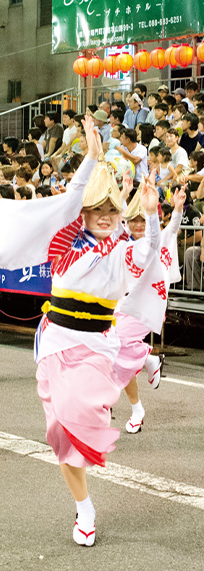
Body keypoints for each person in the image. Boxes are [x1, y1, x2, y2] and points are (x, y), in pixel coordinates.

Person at [0, 116, 160, 547]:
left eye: (111, 210)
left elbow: (147, 253)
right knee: (58, 433)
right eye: (96, 210)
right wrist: (89, 156)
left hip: (94, 347)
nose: (104, 217)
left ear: (119, 214)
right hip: (55, 341)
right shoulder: (64, 243)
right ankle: (84, 506)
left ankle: (86, 495)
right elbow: (69, 200)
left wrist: (154, 212)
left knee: (75, 419)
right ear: (85, 213)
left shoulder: (122, 250)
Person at [113, 183, 183, 433]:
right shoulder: (126, 245)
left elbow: (170, 228)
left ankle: (146, 360)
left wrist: (176, 208)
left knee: (118, 346)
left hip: (148, 305)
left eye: (143, 219)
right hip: (123, 306)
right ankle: (137, 405)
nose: (138, 224)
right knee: (116, 355)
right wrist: (122, 193)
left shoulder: (158, 238)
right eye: (134, 220)